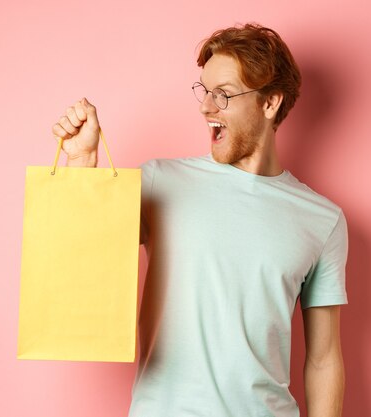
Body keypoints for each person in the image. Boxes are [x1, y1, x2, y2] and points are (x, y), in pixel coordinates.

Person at [52, 23, 348, 417]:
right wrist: (81, 163)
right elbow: (83, 258)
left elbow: (324, 359)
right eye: (204, 91)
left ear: (270, 103)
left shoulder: (322, 220)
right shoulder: (160, 181)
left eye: (223, 95)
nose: (205, 107)